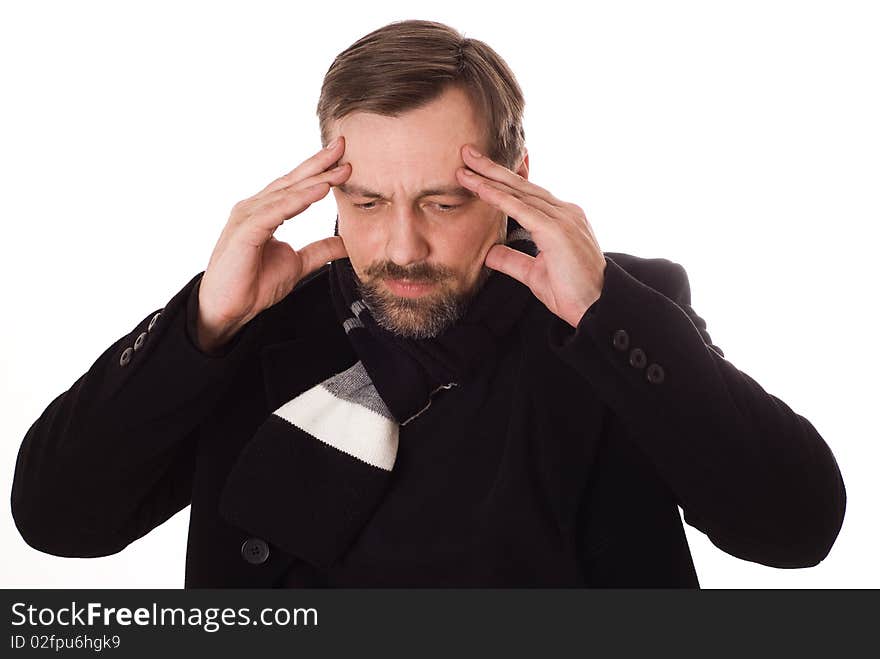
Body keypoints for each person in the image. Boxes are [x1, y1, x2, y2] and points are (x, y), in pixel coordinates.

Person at [11, 19, 846, 588]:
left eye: (443, 203)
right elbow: (58, 520)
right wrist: (203, 324)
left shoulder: (614, 317)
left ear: (515, 180)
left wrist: (604, 315)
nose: (402, 247)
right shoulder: (259, 321)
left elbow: (796, 529)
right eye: (368, 203)